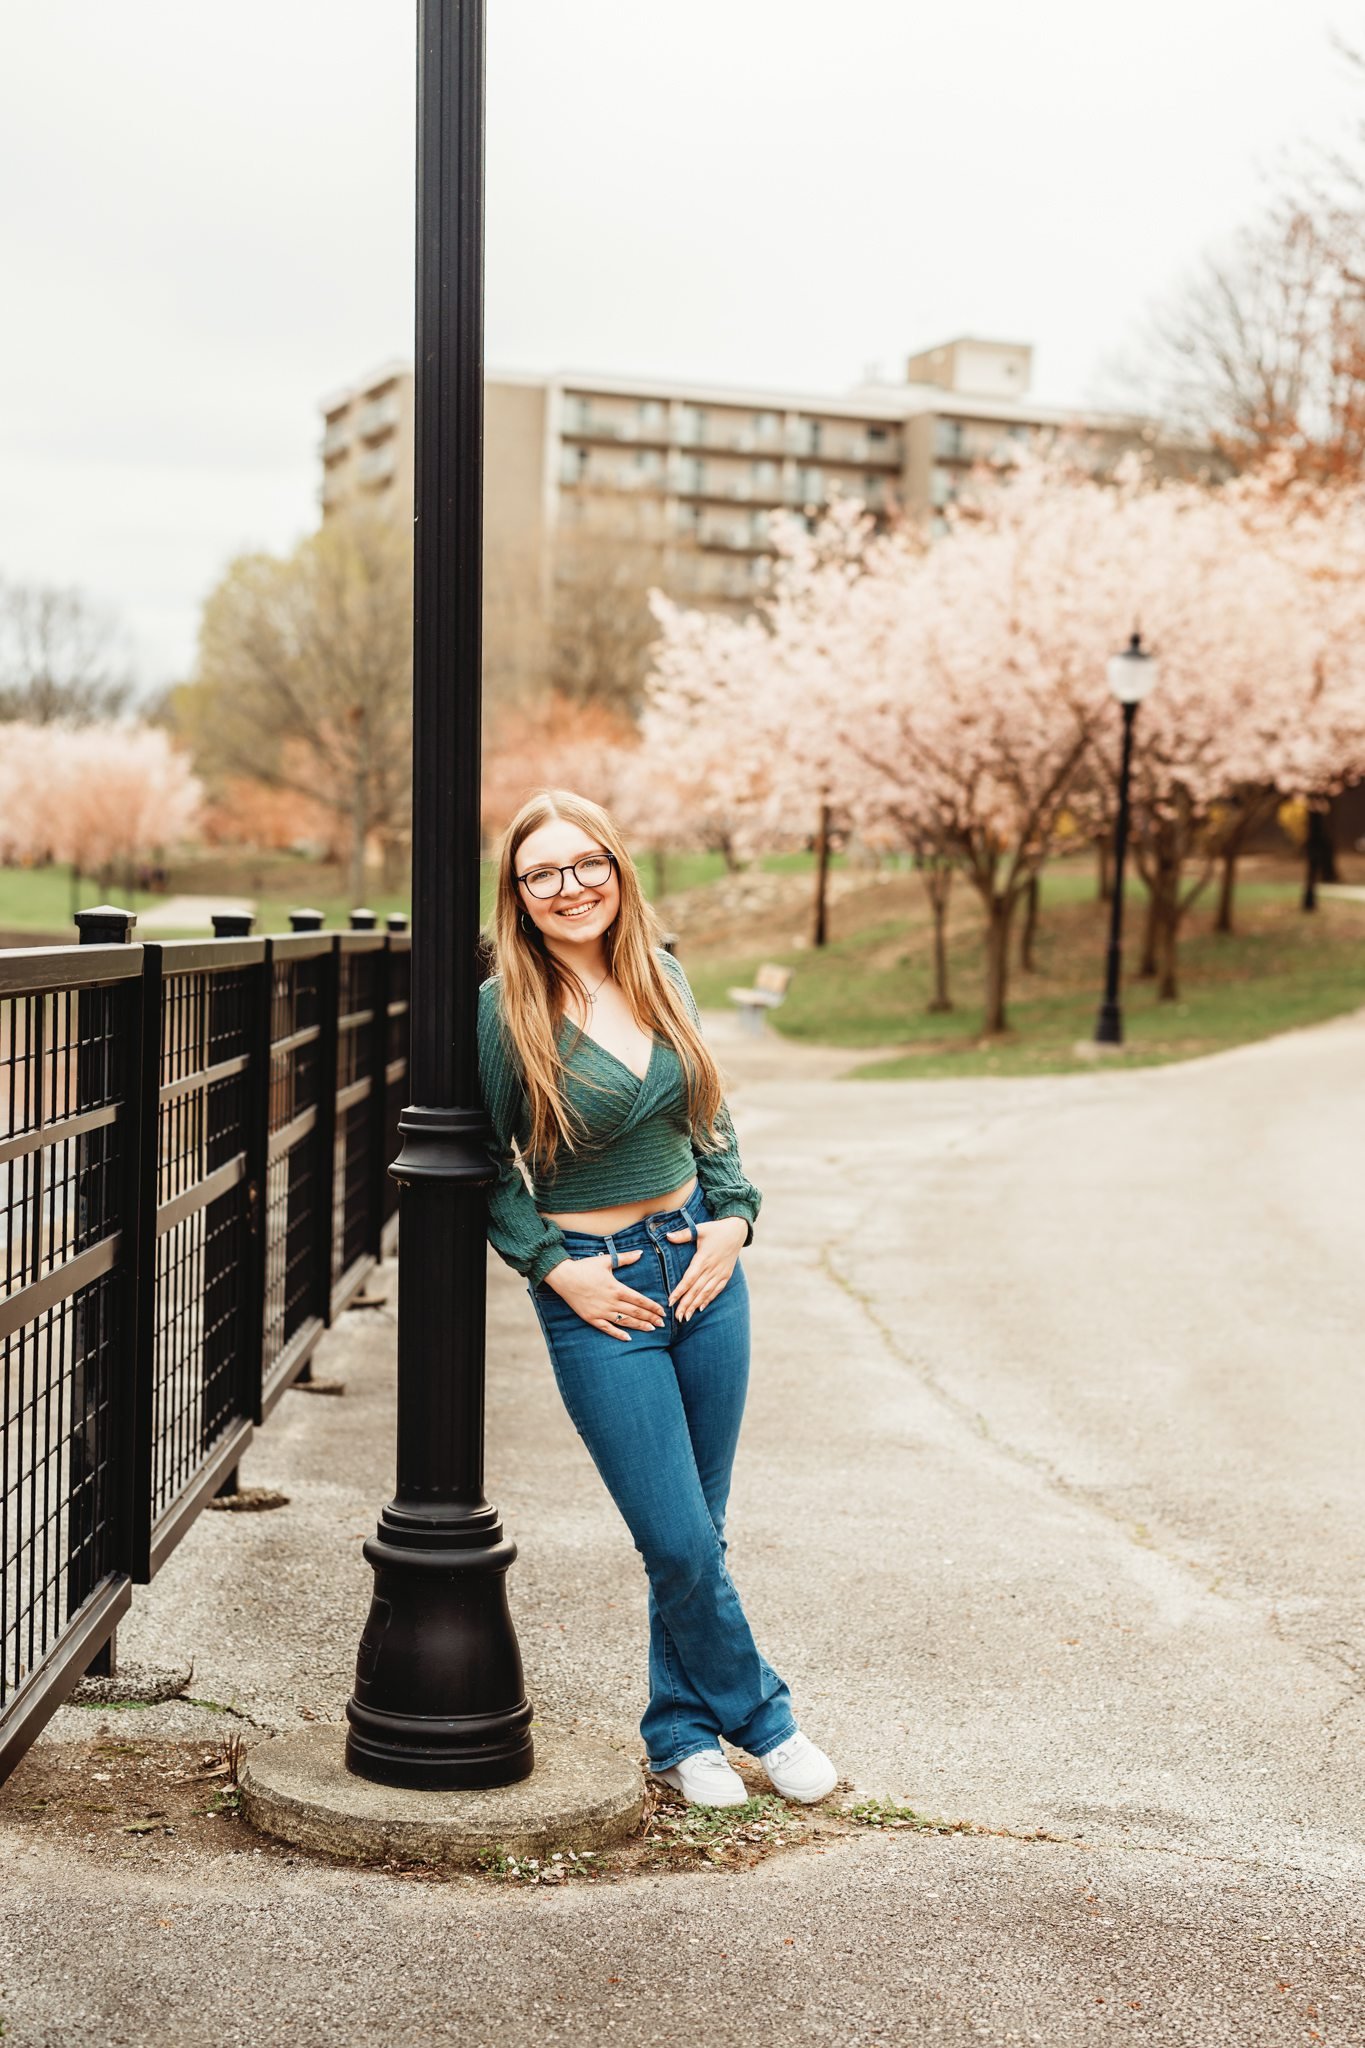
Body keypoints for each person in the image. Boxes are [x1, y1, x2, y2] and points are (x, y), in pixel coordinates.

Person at [476, 788, 838, 1809]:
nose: (568, 885)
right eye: (541, 872)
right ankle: (766, 1717)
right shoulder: (505, 1012)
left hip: (705, 1272)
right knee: (673, 1534)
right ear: (519, 893)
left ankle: (681, 1732)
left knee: (700, 1528)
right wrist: (554, 1265)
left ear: (616, 866)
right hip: (602, 1296)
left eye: (584, 862)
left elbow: (709, 1114)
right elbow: (488, 1165)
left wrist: (734, 1218)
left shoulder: (659, 972)